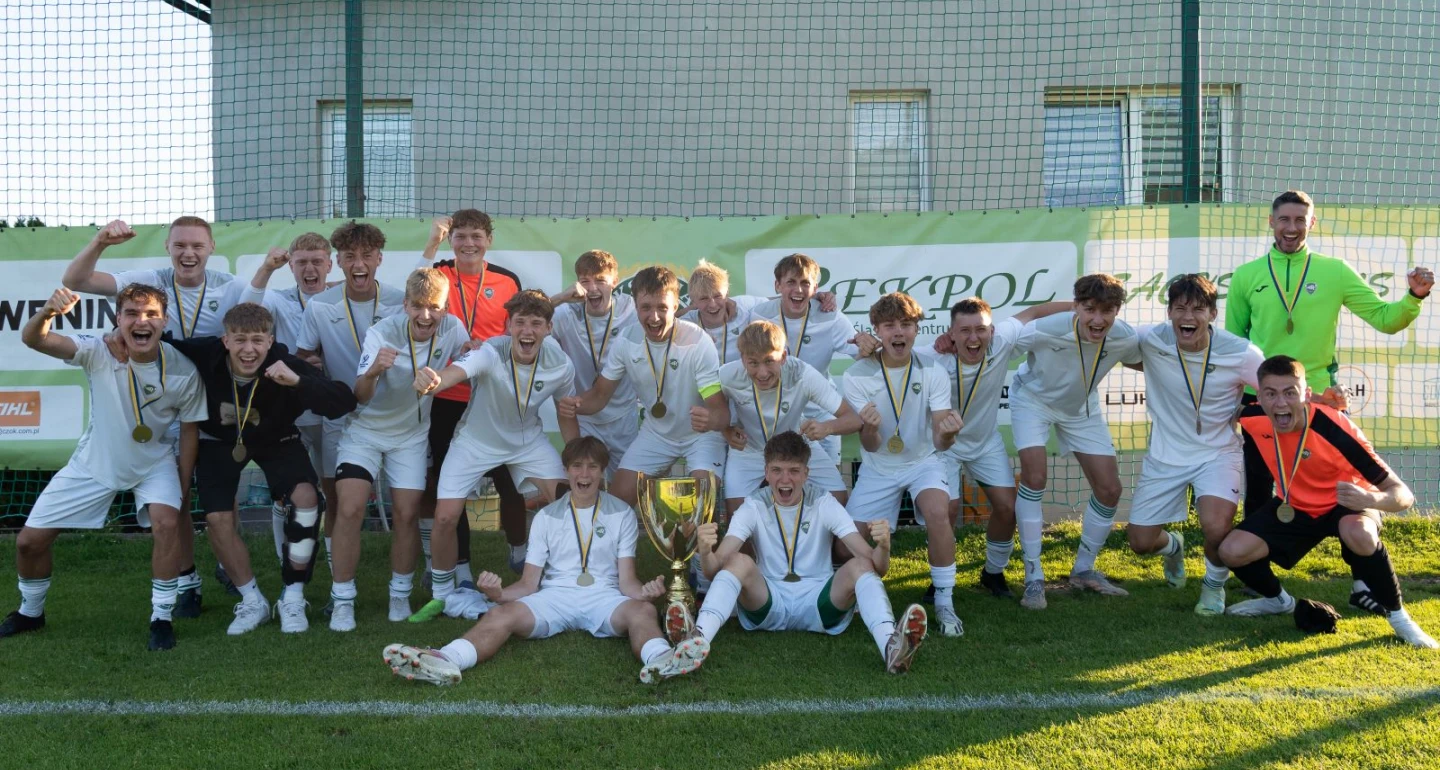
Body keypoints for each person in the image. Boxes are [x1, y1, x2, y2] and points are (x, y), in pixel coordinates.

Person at [382, 437, 708, 685]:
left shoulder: (621, 513)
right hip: (555, 597)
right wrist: (498, 594)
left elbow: (626, 581)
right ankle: (445, 659)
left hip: (604, 597)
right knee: (500, 613)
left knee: (643, 612)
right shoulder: (546, 517)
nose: (584, 474)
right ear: (566, 471)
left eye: (592, 467)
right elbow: (528, 584)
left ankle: (662, 659)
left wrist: (645, 593)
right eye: (577, 466)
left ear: (602, 472)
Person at [1, 285, 207, 650]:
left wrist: (183, 482)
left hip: (154, 463)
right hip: (94, 462)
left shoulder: (183, 370)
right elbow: (35, 339)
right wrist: (47, 312)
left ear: (164, 321)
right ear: (118, 319)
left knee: (166, 523)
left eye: (151, 315)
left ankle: (161, 619)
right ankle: (31, 612)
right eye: (132, 313)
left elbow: (190, 430)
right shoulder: (98, 349)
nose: (142, 321)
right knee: (29, 543)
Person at [62, 216, 250, 615]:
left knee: (222, 497)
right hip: (163, 405)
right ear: (168, 247)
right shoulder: (151, 280)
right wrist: (100, 242)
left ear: (212, 248)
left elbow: (258, 332)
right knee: (174, 498)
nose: (188, 253)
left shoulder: (231, 286)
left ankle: (227, 566)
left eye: (197, 245)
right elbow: (76, 280)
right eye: (180, 245)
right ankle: (187, 580)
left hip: (213, 407)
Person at [154, 303, 357, 634]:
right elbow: (159, 344)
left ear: (270, 341)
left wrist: (297, 382)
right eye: (240, 340)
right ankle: (252, 600)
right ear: (225, 341)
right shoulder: (206, 353)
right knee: (217, 518)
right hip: (220, 441)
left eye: (258, 341)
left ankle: (293, 597)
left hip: (276, 439)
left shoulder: (285, 363)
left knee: (307, 500)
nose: (249, 350)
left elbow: (344, 401)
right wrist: (117, 337)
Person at [1218, 355, 1437, 648]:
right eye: (1271, 394)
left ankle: (1400, 619)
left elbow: (1403, 495)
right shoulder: (1254, 418)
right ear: (1260, 398)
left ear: (1306, 394)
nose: (1280, 403)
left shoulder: (1335, 428)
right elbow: (1217, 407)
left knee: (1359, 533)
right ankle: (1277, 601)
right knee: (1231, 551)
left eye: (1290, 393)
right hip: (1295, 505)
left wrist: (1369, 498)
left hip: (1347, 502)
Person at [685, 431, 929, 675]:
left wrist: (883, 547)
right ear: (766, 472)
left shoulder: (823, 502)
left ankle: (890, 645)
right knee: (737, 561)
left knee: (861, 565)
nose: (785, 479)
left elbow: (877, 567)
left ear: (806, 473)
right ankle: (697, 640)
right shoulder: (753, 505)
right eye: (777, 470)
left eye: (794, 470)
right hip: (769, 602)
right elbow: (715, 568)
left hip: (819, 603)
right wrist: (705, 552)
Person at [410, 290, 581, 622]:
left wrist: (576, 460)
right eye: (520, 322)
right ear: (508, 326)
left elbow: (566, 411)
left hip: (526, 441)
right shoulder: (490, 352)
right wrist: (434, 381)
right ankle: (441, 596)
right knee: (445, 516)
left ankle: (563, 581)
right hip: (476, 441)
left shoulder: (560, 363)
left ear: (548, 328)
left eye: (536, 323)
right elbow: (455, 373)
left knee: (566, 500)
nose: (527, 331)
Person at [328, 269, 471, 632]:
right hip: (365, 432)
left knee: (407, 514)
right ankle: (342, 600)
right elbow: (360, 395)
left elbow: (469, 357)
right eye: (418, 306)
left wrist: (472, 353)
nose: (426, 315)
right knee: (350, 507)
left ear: (445, 308)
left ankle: (399, 595)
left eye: (434, 307)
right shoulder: (382, 332)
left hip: (410, 437)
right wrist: (374, 371)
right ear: (405, 305)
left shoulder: (453, 328)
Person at [1125, 275, 1264, 615]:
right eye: (1180, 308)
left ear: (1213, 314)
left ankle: (1213, 587)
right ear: (1169, 312)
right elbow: (1109, 344)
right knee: (1140, 543)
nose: (1188, 317)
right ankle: (1173, 547)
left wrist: (1319, 401)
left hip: (1218, 454)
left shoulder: (1242, 353)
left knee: (1216, 527)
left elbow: (1276, 389)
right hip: (1166, 455)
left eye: (1198, 309)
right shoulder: (1150, 338)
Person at [1008, 274, 1141, 610]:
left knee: (1110, 489)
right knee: (1035, 477)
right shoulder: (1047, 329)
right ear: (1076, 307)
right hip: (1033, 401)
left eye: (1107, 311)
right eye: (1089, 309)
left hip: (1082, 408)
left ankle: (1083, 570)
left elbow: (1152, 360)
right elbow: (999, 345)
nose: (1098, 319)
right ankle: (1034, 576)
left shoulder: (1124, 336)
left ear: (1117, 311)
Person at [929, 296, 1070, 600]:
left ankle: (992, 572)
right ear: (951, 334)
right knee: (946, 510)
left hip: (985, 443)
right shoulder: (934, 356)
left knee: (1008, 507)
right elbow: (891, 355)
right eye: (964, 331)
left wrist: (1081, 305)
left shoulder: (1002, 340)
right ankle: (940, 577)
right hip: (944, 446)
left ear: (991, 331)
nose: (973, 338)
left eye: (980, 329)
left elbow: (1035, 311)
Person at [842, 292, 965, 637]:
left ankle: (944, 602)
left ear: (916, 329)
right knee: (844, 544)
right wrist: (869, 428)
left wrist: (948, 434)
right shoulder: (855, 375)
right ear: (877, 330)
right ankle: (864, 589)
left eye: (906, 324)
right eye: (889, 325)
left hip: (922, 461)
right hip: (878, 466)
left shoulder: (933, 371)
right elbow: (870, 444)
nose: (899, 332)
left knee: (939, 511)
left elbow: (940, 442)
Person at [1224, 189, 1433, 391]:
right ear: (1272, 221)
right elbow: (1234, 344)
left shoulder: (1336, 270)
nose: (1292, 228)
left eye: (1300, 220)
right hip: (1261, 392)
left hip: (1319, 391)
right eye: (1284, 219)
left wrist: (1415, 296)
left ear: (1312, 223)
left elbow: (1385, 320)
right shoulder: (1245, 275)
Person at [296, 222, 406, 602]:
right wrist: (309, 364)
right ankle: (337, 584)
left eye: (366, 256)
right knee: (338, 499)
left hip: (396, 416)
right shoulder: (320, 306)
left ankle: (424, 577)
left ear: (379, 259)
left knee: (409, 502)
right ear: (338, 262)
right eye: (350, 257)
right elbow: (304, 355)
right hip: (342, 416)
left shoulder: (400, 301)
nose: (359, 264)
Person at [558, 266, 730, 507]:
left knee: (701, 503)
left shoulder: (698, 342)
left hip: (701, 436)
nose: (654, 317)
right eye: (646, 307)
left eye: (662, 308)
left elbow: (720, 411)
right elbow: (600, 395)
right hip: (656, 434)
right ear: (635, 306)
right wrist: (576, 404)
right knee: (616, 503)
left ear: (675, 306)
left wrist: (711, 420)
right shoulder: (626, 341)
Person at [419, 210, 530, 576]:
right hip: (446, 398)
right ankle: (462, 569)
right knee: (449, 487)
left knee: (509, 480)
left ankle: (519, 550)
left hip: (492, 398)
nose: (468, 243)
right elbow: (413, 294)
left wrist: (492, 350)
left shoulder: (506, 280)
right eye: (461, 236)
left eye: (476, 236)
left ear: (488, 240)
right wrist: (431, 243)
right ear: (451, 240)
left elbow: (518, 333)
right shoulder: (438, 274)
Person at [749, 252, 880, 497]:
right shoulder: (759, 314)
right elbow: (714, 304)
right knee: (778, 483)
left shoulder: (831, 317)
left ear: (816, 288)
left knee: (830, 493)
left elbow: (863, 355)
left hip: (820, 413)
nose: (798, 290)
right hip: (776, 413)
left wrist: (869, 345)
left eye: (805, 283)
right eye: (791, 282)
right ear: (777, 285)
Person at [240, 233, 337, 562]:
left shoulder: (341, 299)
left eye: (317, 261)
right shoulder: (279, 300)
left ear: (329, 265)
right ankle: (287, 563)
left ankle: (334, 560)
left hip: (329, 411)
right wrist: (267, 268)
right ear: (291, 267)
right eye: (302, 262)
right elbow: (245, 310)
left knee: (332, 490)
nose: (310, 269)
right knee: (285, 494)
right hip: (289, 412)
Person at [719, 320, 861, 513]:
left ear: (783, 357)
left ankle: (806, 530)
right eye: (753, 363)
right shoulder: (726, 375)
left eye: (769, 361)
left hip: (796, 446)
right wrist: (726, 430)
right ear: (743, 360)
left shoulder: (803, 374)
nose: (762, 373)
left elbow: (854, 419)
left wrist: (827, 427)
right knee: (736, 513)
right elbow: (711, 410)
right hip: (748, 449)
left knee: (837, 499)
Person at [547, 249, 641, 477]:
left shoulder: (631, 309)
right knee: (586, 483)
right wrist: (561, 297)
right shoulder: (566, 313)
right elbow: (524, 321)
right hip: (582, 417)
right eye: (585, 281)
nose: (592, 288)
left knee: (625, 488)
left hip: (623, 417)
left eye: (600, 280)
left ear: (615, 282)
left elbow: (670, 316)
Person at [682, 260, 761, 366]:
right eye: (704, 298)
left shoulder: (745, 307)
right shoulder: (685, 324)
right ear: (693, 301)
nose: (712, 304)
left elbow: (777, 301)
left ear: (727, 294)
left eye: (717, 296)